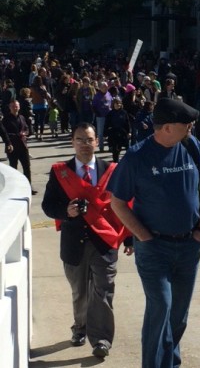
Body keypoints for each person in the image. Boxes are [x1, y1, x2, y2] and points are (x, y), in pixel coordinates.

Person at [108, 98, 200, 368]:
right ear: (167, 127)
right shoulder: (137, 156)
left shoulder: (192, 146)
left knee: (179, 316)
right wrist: (143, 235)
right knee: (161, 307)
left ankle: (170, 362)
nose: (192, 125)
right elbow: (117, 202)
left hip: (189, 245)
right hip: (154, 248)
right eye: (186, 123)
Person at [41, 122, 132, 358]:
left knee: (103, 291)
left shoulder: (111, 169)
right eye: (80, 139)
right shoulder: (60, 171)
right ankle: (80, 327)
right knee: (80, 292)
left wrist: (130, 238)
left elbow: (126, 204)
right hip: (74, 242)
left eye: (89, 139)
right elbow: (48, 206)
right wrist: (66, 210)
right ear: (72, 142)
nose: (84, 144)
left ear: (97, 142)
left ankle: (101, 339)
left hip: (105, 242)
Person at [2, 100, 37, 195]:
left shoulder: (22, 117)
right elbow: (4, 134)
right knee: (13, 168)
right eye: (13, 106)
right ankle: (14, 188)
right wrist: (17, 135)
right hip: (12, 147)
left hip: (23, 146)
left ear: (19, 107)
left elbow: (27, 129)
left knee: (27, 168)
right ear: (10, 107)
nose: (15, 108)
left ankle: (29, 186)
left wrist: (26, 133)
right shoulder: (5, 119)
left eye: (16, 106)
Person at [104, 97, 131, 162]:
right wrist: (105, 134)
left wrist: (129, 132)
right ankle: (115, 163)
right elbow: (106, 124)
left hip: (122, 133)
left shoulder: (124, 112)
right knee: (115, 150)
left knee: (126, 148)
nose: (117, 105)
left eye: (119, 103)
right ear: (113, 104)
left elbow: (127, 123)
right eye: (116, 103)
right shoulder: (110, 113)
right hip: (113, 134)